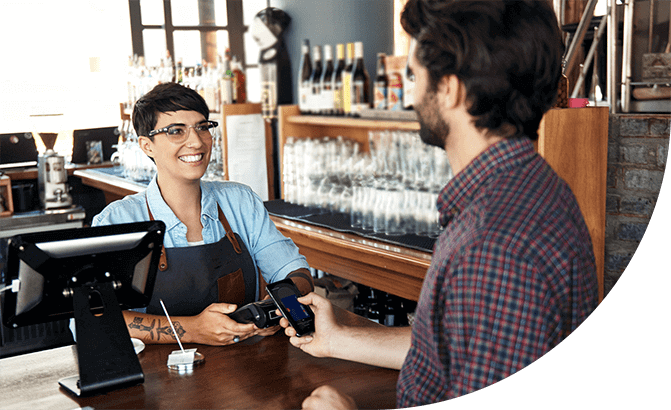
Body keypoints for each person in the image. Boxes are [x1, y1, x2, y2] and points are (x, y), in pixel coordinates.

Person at [280, 0, 599, 407]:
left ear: (449, 88)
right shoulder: (531, 187)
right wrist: (338, 338)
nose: (411, 95)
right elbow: (460, 346)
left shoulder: (492, 246)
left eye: (414, 75)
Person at [93, 82, 313, 346]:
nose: (196, 141)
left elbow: (295, 272)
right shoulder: (119, 220)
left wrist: (278, 309)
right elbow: (94, 316)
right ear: (146, 145)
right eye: (175, 131)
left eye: (202, 127)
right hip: (157, 378)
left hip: (246, 370)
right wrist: (191, 329)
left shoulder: (240, 201)